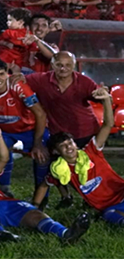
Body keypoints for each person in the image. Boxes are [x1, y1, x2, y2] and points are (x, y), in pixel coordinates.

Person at [33, 87, 124, 226]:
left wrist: (106, 100)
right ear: (57, 152)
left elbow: (107, 125)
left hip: (122, 194)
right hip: (108, 208)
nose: (68, 147)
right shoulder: (61, 169)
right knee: (108, 216)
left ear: (75, 144)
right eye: (63, 146)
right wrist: (34, 207)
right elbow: (44, 185)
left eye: (70, 143)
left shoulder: (91, 151)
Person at [0, 59, 49, 196]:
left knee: (42, 156)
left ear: (7, 73)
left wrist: (37, 144)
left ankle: (41, 197)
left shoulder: (17, 86)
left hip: (29, 129)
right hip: (4, 131)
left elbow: (40, 114)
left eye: (1, 74)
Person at [23, 51, 100, 148]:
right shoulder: (41, 79)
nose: (63, 69)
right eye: (59, 65)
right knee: (54, 162)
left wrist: (103, 94)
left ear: (74, 65)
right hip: (58, 135)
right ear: (52, 65)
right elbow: (20, 80)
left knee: (85, 163)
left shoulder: (85, 82)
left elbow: (100, 96)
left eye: (68, 65)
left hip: (85, 133)